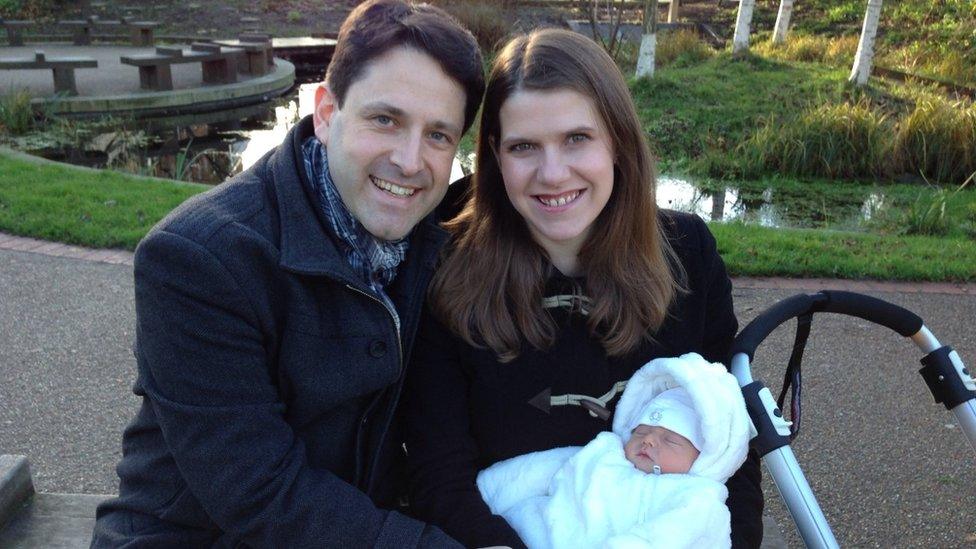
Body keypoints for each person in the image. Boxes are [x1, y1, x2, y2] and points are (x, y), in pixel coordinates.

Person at [90, 1, 484, 546]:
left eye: (439, 135)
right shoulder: (199, 260)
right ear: (325, 112)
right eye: (385, 119)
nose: (411, 160)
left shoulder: (436, 234)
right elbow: (260, 493)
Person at [401, 28, 764, 549]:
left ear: (616, 140)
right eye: (524, 147)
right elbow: (440, 475)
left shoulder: (687, 253)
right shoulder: (444, 268)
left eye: (577, 138)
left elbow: (732, 438)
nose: (553, 173)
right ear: (495, 157)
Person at [475, 353, 752, 549]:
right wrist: (490, 491)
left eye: (670, 440)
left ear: (705, 457)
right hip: (542, 532)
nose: (649, 442)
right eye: (642, 432)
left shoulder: (697, 499)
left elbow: (665, 539)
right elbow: (541, 470)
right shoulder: (607, 452)